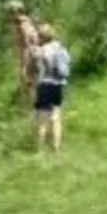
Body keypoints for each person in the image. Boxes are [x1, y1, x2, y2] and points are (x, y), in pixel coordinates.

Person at [32, 24, 71, 154]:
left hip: (44, 85)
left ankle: (38, 150)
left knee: (41, 117)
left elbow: (36, 69)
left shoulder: (41, 50)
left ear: (42, 37)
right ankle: (56, 148)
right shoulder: (60, 47)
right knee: (55, 116)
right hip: (58, 85)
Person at [5, 0, 40, 103]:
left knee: (27, 79)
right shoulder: (28, 21)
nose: (9, 15)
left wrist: (24, 62)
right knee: (32, 78)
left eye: (10, 12)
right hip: (34, 51)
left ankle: (32, 104)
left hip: (28, 53)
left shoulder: (20, 24)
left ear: (16, 11)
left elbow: (26, 42)